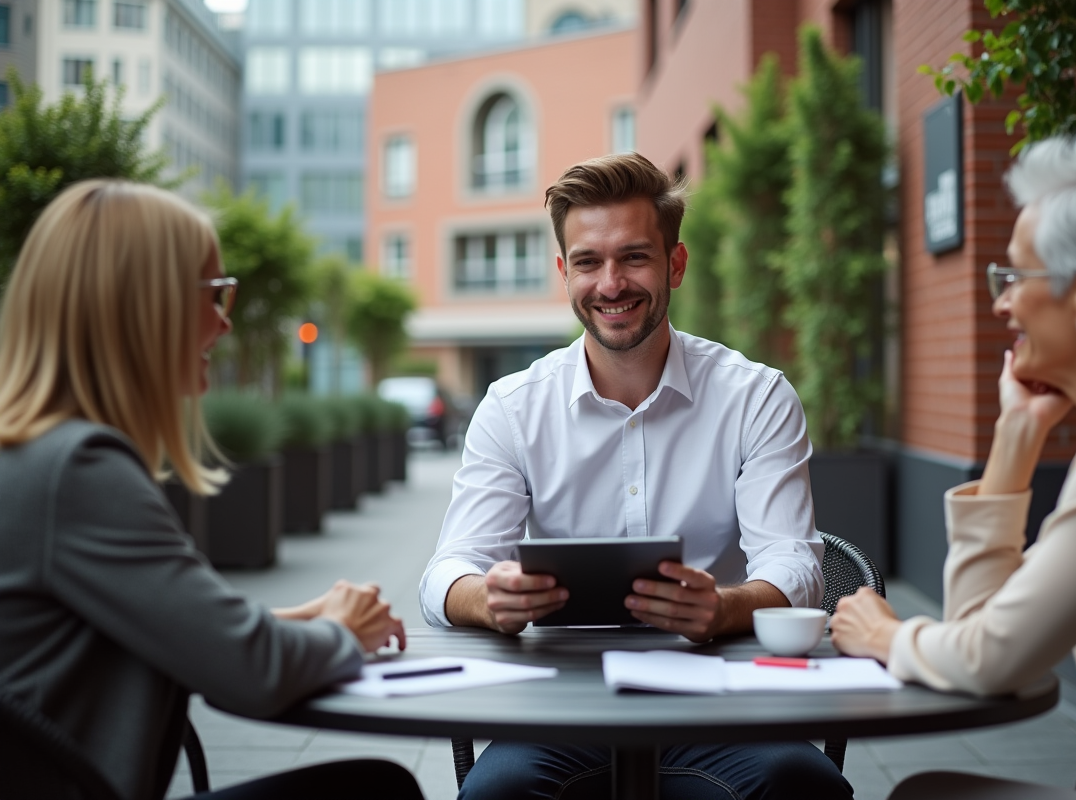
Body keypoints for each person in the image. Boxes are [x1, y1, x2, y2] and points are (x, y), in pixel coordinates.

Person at [419, 153, 852, 800]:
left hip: (721, 700)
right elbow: (446, 573)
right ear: (564, 273)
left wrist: (722, 608)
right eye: (589, 262)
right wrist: (489, 598)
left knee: (801, 787)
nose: (611, 283)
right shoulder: (512, 408)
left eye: (635, 257)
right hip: (557, 707)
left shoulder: (756, 397)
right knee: (494, 797)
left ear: (675, 264)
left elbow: (796, 566)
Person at [0, 180, 424, 800]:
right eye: (214, 292)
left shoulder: (30, 456)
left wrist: (284, 620)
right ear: (145, 305)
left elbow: (159, 629)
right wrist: (343, 633)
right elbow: (252, 672)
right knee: (374, 789)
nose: (224, 323)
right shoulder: (78, 470)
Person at [831, 129, 1076, 796]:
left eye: (1014, 277)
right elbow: (990, 631)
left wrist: (885, 634)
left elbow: (988, 658)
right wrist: (1015, 438)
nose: (1000, 303)